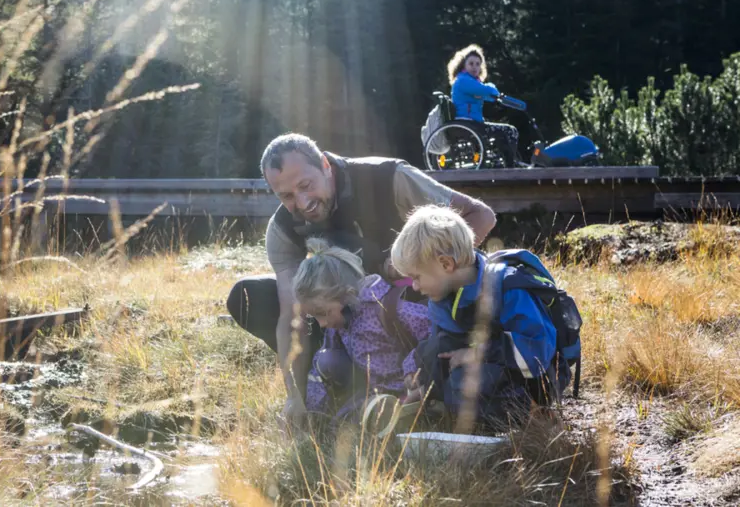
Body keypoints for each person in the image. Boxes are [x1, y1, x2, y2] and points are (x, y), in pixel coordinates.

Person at [225, 133, 497, 428]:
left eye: (306, 186)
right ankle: (333, 380)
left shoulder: (388, 177)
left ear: (326, 166)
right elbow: (292, 316)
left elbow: (480, 215)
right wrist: (293, 395)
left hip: (413, 306)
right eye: (287, 196)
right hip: (346, 319)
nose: (302, 203)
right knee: (248, 297)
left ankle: (423, 381)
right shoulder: (282, 229)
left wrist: (421, 264)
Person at [389, 205, 562, 427]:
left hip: (528, 377)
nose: (414, 286)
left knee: (462, 384)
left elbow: (537, 352)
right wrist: (425, 384)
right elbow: (442, 349)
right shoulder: (443, 299)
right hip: (488, 363)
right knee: (430, 350)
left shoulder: (508, 288)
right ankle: (439, 402)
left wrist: (476, 354)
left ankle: (527, 417)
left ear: (446, 264)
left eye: (416, 277)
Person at [292, 238, 430, 422]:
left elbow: (434, 330)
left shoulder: (385, 308)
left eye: (323, 313)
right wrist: (312, 410)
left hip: (409, 388)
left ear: (347, 295)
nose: (322, 324)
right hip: (371, 392)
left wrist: (412, 368)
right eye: (314, 317)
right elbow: (321, 366)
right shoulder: (339, 325)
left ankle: (417, 411)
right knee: (327, 362)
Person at [448, 44, 520, 166]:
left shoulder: (470, 81)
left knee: (507, 131)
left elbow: (486, 95)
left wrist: (493, 96)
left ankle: (508, 162)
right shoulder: (464, 80)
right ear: (463, 65)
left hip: (472, 123)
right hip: (468, 124)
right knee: (509, 131)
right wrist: (493, 91)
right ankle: (510, 165)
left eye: (478, 64)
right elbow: (486, 90)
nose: (475, 67)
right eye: (471, 63)